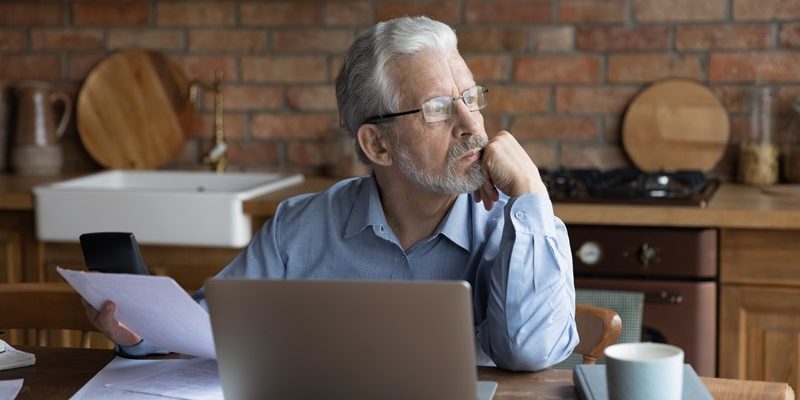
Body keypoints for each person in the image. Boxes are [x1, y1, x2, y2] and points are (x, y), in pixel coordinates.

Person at [87, 16, 578, 371]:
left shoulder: (514, 225)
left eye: (471, 98)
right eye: (437, 109)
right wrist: (140, 330)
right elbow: (208, 327)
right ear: (377, 144)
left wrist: (532, 192)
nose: (472, 124)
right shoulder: (299, 228)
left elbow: (528, 353)